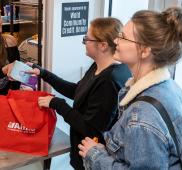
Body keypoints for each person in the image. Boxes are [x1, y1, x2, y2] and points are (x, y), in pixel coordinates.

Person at [79, 7, 182, 169]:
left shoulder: (143, 116)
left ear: (145, 50)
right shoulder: (170, 88)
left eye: (123, 37)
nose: (115, 41)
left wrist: (95, 155)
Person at [28, 17, 131, 170]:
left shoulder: (108, 81)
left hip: (93, 159)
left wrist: (56, 104)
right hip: (83, 153)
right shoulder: (98, 67)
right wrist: (43, 73)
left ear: (102, 45)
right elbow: (78, 91)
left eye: (87, 39)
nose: (84, 42)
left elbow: (90, 128)